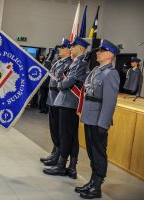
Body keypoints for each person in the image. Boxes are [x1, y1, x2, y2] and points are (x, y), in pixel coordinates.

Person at [76, 40, 120, 199]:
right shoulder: (96, 70)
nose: (97, 53)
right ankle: (92, 181)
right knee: (91, 152)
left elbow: (109, 102)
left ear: (110, 55)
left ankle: (97, 187)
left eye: (101, 51)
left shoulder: (111, 73)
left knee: (99, 153)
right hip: (90, 117)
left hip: (98, 120)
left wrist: (103, 123)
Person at [43, 35, 89, 179]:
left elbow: (71, 80)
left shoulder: (80, 63)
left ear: (80, 48)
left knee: (67, 135)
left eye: (73, 46)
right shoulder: (76, 62)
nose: (71, 48)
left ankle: (63, 165)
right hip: (65, 101)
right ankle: (69, 165)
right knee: (67, 134)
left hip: (69, 102)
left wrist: (60, 85)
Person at [40, 39, 72, 166]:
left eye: (63, 47)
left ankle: (58, 154)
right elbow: (45, 70)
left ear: (69, 50)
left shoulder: (69, 64)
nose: (60, 49)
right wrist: (49, 58)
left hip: (59, 97)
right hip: (52, 96)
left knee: (59, 128)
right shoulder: (58, 62)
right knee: (53, 127)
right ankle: (54, 152)